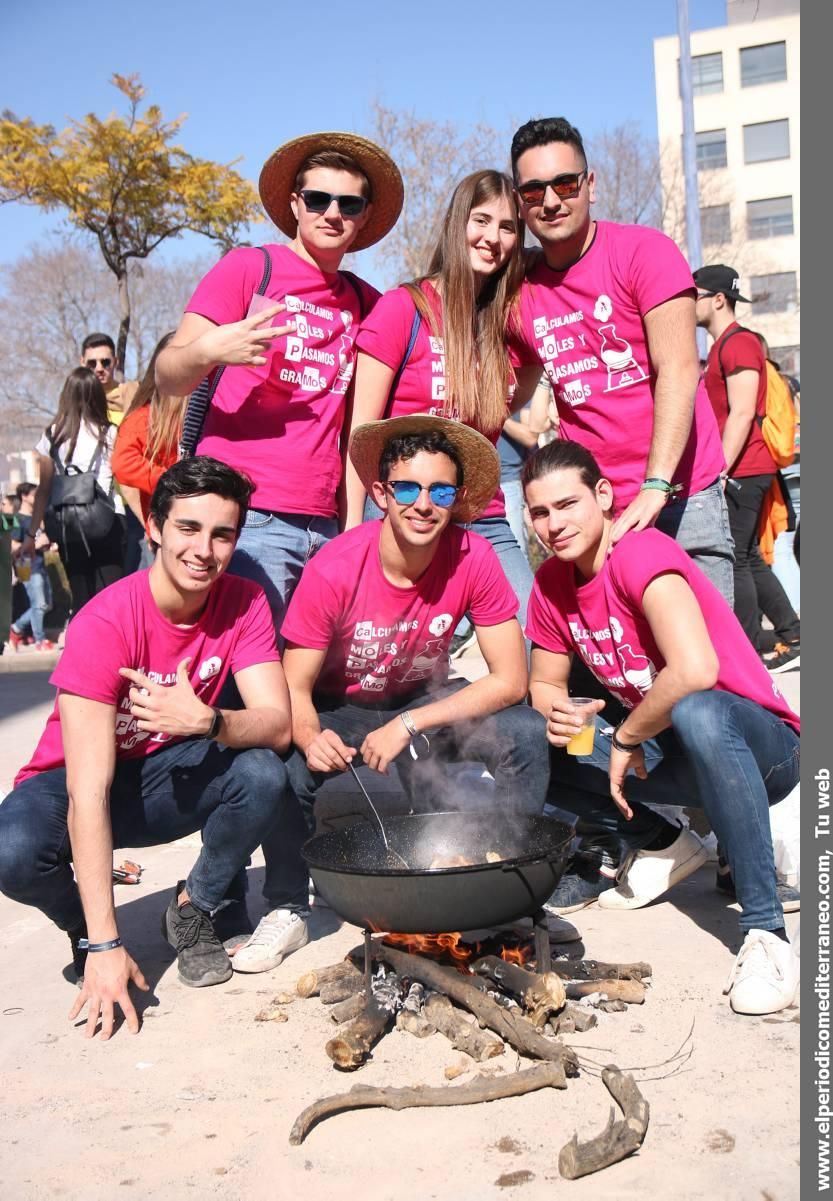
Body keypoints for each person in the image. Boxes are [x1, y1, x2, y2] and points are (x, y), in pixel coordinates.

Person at [230, 415, 549, 974]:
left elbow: (509, 680)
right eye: (407, 488)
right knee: (282, 760)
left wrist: (410, 725)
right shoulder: (335, 567)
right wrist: (311, 736)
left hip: (424, 703)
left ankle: (505, 885)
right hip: (343, 707)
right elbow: (293, 688)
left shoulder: (473, 556)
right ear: (380, 493)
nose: (424, 504)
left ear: (457, 498)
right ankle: (286, 905)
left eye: (440, 490)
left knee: (524, 733)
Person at [0, 457, 296, 1038]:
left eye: (222, 534)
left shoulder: (244, 601)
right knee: (12, 851)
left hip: (168, 776)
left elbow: (276, 724)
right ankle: (83, 928)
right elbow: (89, 791)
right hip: (74, 789)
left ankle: (193, 909)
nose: (204, 550)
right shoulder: (105, 622)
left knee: (264, 772)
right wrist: (107, 942)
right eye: (188, 528)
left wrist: (208, 721)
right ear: (154, 526)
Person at [523, 439, 800, 1015]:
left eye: (567, 504)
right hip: (666, 749)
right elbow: (544, 684)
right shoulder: (552, 583)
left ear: (603, 497)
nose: (554, 523)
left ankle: (766, 934)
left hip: (762, 750)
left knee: (700, 710)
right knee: (528, 741)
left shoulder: (641, 553)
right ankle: (666, 842)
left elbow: (696, 671)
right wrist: (563, 711)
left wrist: (623, 738)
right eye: (541, 512)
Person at [156, 132, 403, 634]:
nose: (332, 213)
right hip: (249, 519)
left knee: (306, 685)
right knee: (237, 678)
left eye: (348, 203)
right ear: (295, 204)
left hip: (329, 525)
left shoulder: (366, 301)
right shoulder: (250, 268)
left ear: (363, 216)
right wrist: (210, 350)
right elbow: (167, 375)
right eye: (317, 199)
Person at [507, 117, 733, 602]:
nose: (551, 201)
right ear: (519, 202)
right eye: (533, 191)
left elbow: (678, 368)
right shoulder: (520, 290)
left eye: (565, 184)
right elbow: (512, 391)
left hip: (679, 496)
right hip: (594, 511)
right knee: (622, 672)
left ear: (590, 185)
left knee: (709, 670)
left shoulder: (644, 252)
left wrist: (656, 486)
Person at [347, 170, 535, 637]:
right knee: (391, 661)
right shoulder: (402, 308)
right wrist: (353, 533)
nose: (493, 237)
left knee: (535, 638)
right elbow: (359, 435)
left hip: (480, 514)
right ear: (457, 223)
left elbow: (524, 393)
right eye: (482, 220)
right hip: (402, 510)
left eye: (508, 227)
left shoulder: (504, 330)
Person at [693, 265, 800, 673]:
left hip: (744, 466)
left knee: (735, 557)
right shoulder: (725, 346)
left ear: (718, 299)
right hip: (743, 466)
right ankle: (791, 634)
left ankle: (750, 654)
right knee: (749, 556)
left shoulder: (738, 344)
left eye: (695, 295)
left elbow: (740, 414)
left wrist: (717, 470)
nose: (689, 304)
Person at [21, 368, 124, 616]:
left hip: (68, 524)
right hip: (108, 519)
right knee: (111, 593)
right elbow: (124, 478)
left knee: (81, 595)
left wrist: (31, 534)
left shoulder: (52, 435)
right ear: (96, 396)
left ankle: (83, 650)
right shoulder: (109, 432)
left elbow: (44, 488)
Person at [80, 332, 143, 573]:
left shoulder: (133, 397)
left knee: (138, 578)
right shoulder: (80, 405)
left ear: (115, 362)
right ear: (81, 362)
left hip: (134, 503)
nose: (99, 368)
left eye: (105, 362)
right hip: (95, 506)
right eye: (92, 363)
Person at [112, 332, 185, 527]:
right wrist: (176, 482)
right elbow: (123, 464)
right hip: (165, 523)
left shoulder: (208, 408)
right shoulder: (144, 417)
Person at [8, 481, 54, 651]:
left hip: (40, 563)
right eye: (34, 495)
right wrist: (35, 544)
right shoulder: (17, 519)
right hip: (26, 564)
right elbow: (13, 547)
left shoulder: (36, 517)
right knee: (39, 604)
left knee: (46, 604)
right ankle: (39, 640)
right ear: (24, 496)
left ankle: (16, 628)